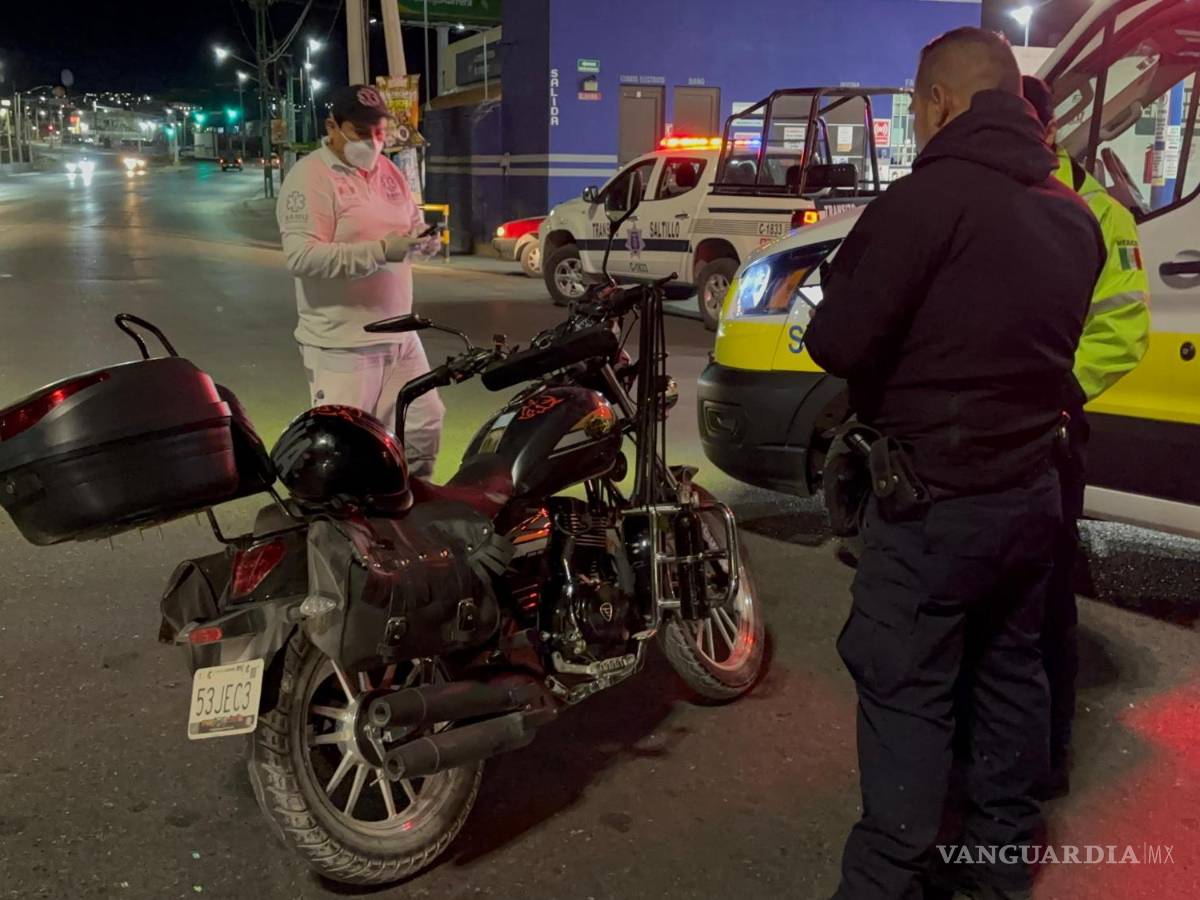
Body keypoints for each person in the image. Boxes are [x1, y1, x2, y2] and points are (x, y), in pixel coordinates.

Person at [804, 28, 1105, 900]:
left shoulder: (922, 203)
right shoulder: (1072, 213)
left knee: (906, 687)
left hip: (931, 501)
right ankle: (998, 870)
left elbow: (837, 342)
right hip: (1031, 490)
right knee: (1010, 676)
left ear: (939, 101)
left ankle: (888, 878)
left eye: (915, 103)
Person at [1021, 75, 1151, 797]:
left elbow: (1123, 330)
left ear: (1048, 130)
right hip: (995, 430)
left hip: (1051, 430)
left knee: (1046, 603)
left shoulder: (1101, 213)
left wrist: (1053, 394)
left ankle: (1048, 758)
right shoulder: (989, 198)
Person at [276, 84, 445, 479]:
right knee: (346, 453)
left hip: (400, 334)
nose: (372, 141)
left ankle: (412, 506)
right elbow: (302, 257)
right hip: (343, 343)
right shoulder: (310, 177)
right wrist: (381, 251)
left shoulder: (389, 172)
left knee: (423, 425)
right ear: (332, 127)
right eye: (361, 131)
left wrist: (423, 242)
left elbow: (411, 226)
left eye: (379, 131)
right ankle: (346, 519)